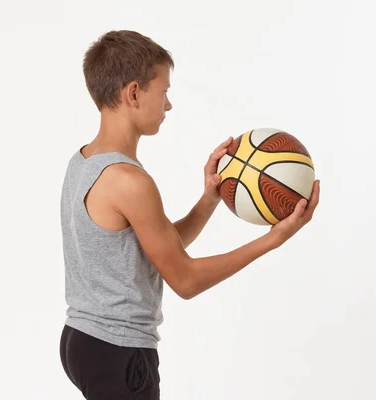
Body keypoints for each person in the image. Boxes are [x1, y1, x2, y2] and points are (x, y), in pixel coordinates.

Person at [59, 30, 320, 400]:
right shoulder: (129, 181)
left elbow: (154, 249)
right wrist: (272, 239)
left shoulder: (83, 161)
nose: (168, 105)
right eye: (163, 91)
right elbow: (185, 280)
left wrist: (208, 200)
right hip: (119, 352)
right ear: (134, 93)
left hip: (82, 340)